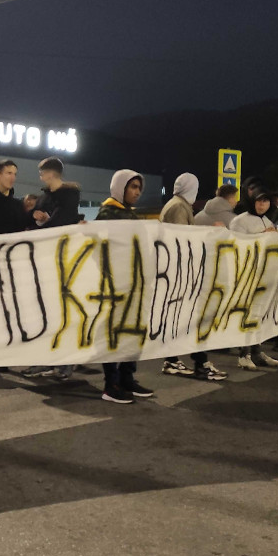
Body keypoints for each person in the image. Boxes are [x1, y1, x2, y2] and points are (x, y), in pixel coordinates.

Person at [94, 170, 154, 402]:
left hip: (135, 283)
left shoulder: (129, 214)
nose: (137, 192)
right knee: (114, 333)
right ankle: (111, 384)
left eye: (139, 188)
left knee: (133, 331)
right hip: (116, 285)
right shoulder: (108, 213)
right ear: (121, 188)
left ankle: (127, 377)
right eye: (132, 187)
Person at [160, 173, 226, 381]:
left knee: (183, 318)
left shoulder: (176, 204)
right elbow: (183, 239)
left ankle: (177, 360)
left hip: (175, 272)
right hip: (180, 273)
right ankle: (199, 362)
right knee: (192, 318)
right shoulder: (179, 207)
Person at [23, 158, 83, 380]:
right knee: (43, 311)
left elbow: (61, 222)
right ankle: (43, 359)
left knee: (62, 310)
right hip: (45, 259)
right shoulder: (45, 196)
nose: (40, 177)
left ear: (50, 173)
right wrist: (35, 217)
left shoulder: (69, 195)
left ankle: (65, 362)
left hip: (63, 257)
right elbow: (34, 218)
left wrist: (43, 224)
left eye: (42, 173)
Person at [229, 192, 278, 370]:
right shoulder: (240, 220)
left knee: (259, 313)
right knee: (245, 314)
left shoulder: (268, 221)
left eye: (266, 200)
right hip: (246, 274)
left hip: (264, 274)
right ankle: (243, 354)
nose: (262, 204)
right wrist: (262, 234)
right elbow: (237, 245)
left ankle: (257, 351)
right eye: (259, 200)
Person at [31, 158, 80, 228]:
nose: (41, 179)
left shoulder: (70, 194)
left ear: (50, 174)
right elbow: (30, 217)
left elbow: (60, 220)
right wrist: (34, 214)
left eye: (42, 174)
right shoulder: (43, 197)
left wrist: (35, 230)